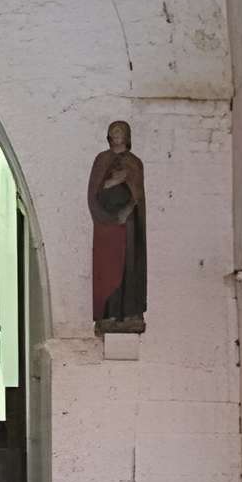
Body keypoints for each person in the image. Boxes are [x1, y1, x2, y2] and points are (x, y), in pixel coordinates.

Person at [88, 117, 147, 333]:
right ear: (109, 136)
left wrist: (130, 206)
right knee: (109, 265)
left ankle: (131, 313)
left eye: (121, 131)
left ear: (127, 136)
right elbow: (95, 191)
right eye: (113, 131)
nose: (117, 134)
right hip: (107, 225)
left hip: (129, 221)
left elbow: (139, 194)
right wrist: (115, 181)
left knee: (129, 265)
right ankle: (109, 314)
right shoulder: (101, 160)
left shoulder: (135, 163)